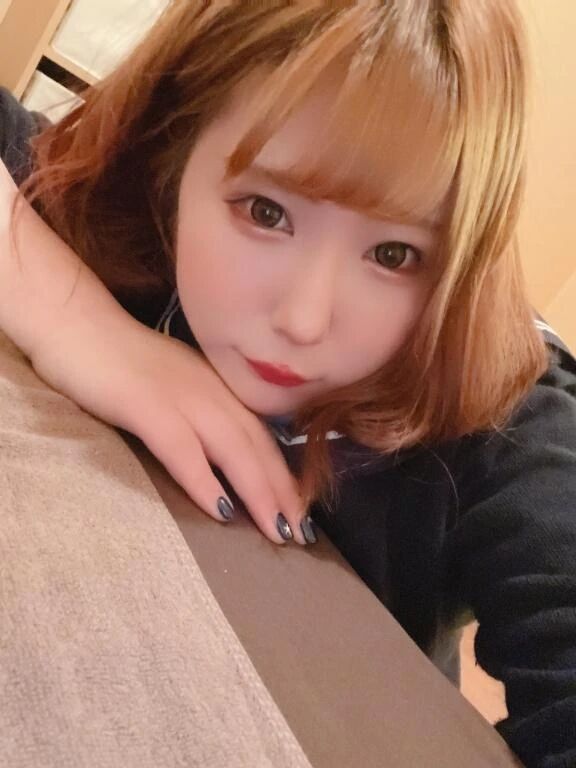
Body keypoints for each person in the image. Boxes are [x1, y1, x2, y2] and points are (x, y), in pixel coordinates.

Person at [1, 2, 575, 766]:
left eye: (394, 255)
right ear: (175, 154)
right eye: (266, 211)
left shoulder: (504, 420)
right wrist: (77, 323)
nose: (304, 320)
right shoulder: (127, 221)